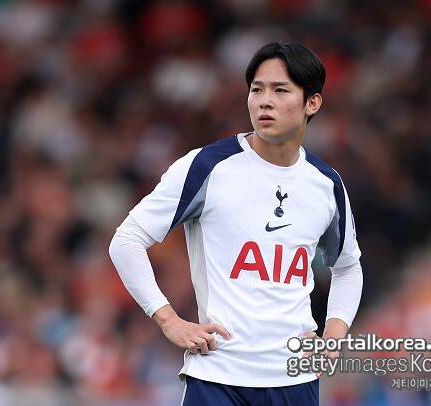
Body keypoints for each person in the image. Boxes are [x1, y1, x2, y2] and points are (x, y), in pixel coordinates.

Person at [109, 41, 363, 406]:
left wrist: (333, 337)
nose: (264, 101)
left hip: (296, 381)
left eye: (280, 90)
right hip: (218, 378)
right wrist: (168, 319)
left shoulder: (326, 184)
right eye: (257, 90)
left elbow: (348, 266)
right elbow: (127, 240)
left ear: (312, 103)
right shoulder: (206, 167)